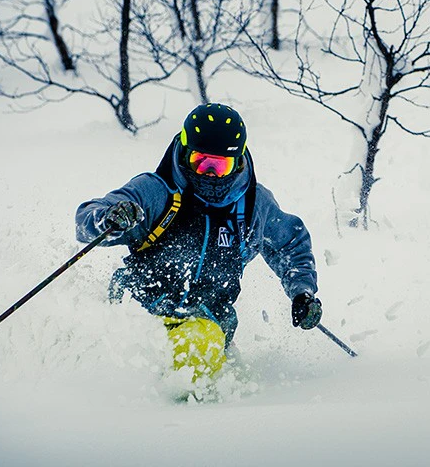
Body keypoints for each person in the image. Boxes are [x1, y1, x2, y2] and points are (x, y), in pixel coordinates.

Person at [75, 103, 322, 382]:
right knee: (182, 359)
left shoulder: (253, 205)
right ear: (184, 152)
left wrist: (302, 292)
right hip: (139, 318)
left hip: (209, 323)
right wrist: (109, 218)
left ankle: (197, 412)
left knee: (201, 353)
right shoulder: (157, 191)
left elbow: (290, 242)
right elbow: (85, 222)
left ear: (238, 161)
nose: (210, 174)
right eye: (201, 162)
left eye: (220, 165)